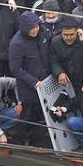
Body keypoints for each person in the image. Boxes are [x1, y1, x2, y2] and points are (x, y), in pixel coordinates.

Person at [8, 12, 50, 146]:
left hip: (46, 82)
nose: (35, 30)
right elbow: (15, 68)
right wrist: (33, 82)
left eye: (37, 26)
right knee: (28, 116)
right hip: (29, 88)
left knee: (46, 113)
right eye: (32, 28)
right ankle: (25, 139)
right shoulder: (17, 43)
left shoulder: (42, 33)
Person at [49, 20, 83, 97]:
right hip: (69, 82)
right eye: (65, 35)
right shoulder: (55, 42)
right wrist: (59, 73)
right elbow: (53, 60)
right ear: (61, 33)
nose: (68, 38)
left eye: (71, 34)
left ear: (77, 32)